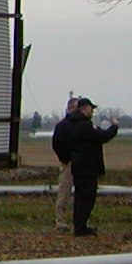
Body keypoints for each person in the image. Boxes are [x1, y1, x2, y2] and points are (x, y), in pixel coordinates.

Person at [55, 97, 117, 236]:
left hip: (77, 164)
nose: (92, 111)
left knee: (80, 197)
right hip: (84, 166)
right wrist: (114, 127)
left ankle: (78, 225)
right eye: (90, 108)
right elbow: (101, 137)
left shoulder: (74, 124)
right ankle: (77, 227)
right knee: (83, 197)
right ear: (83, 108)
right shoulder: (81, 125)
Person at [50, 95, 79, 232]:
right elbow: (56, 144)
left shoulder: (81, 125)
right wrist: (65, 159)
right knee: (64, 193)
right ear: (69, 108)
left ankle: (78, 221)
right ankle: (60, 221)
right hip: (68, 163)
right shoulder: (62, 126)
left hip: (81, 163)